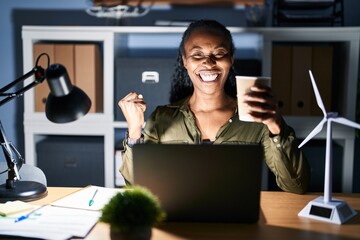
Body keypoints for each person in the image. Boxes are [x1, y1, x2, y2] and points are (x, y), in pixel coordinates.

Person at [118, 19, 310, 194]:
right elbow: (137, 189)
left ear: (231, 58)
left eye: (219, 53)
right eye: (197, 54)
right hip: (178, 224)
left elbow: (296, 187)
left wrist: (276, 128)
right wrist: (135, 131)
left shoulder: (257, 117)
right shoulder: (161, 118)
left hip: (236, 225)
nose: (208, 63)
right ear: (185, 61)